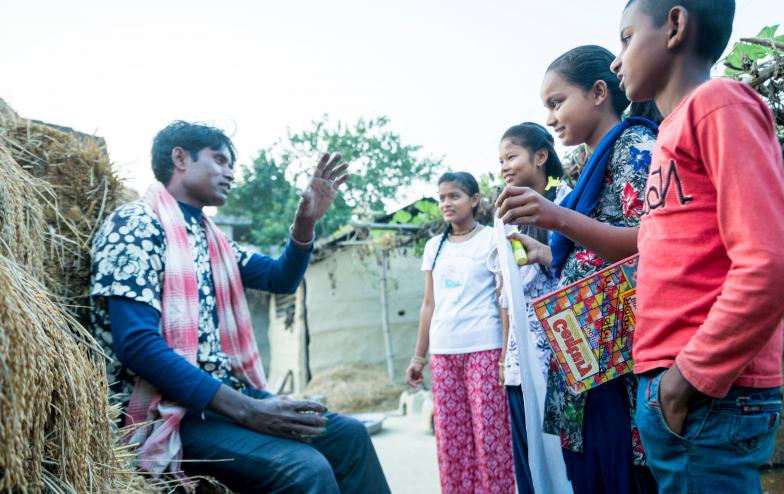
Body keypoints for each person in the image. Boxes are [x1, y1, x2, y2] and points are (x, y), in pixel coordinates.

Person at [89, 121, 390, 494]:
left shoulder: (211, 239)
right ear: (180, 158)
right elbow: (136, 344)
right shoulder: (135, 225)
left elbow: (280, 279)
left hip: (217, 397)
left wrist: (305, 223)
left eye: (232, 163)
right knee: (306, 470)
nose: (230, 172)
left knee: (350, 437)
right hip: (165, 408)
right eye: (220, 160)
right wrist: (247, 410)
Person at [612, 1, 784, 492]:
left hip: (707, 398)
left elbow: (773, 265)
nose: (617, 61)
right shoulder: (670, 130)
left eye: (627, 38)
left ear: (675, 25)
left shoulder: (718, 104)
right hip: (686, 394)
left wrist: (684, 381)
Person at [496, 45, 659, 494]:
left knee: (621, 474)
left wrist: (556, 218)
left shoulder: (636, 147)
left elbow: (650, 243)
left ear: (599, 92)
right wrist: (548, 252)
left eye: (556, 102)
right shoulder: (588, 166)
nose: (549, 118)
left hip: (617, 364)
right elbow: (589, 251)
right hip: (582, 359)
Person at [406, 171, 515, 494]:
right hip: (443, 355)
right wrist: (418, 356)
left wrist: (506, 355)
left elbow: (503, 300)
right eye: (441, 198)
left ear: (474, 200)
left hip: (485, 348)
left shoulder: (492, 238)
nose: (446, 203)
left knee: (490, 438)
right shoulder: (434, 247)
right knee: (452, 443)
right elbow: (429, 304)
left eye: (454, 196)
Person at [497, 122, 572, 494]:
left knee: (566, 461)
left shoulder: (569, 204)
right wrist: (505, 356)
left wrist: (545, 255)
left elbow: (581, 276)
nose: (504, 167)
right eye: (500, 161)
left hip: (563, 361)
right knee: (527, 466)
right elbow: (509, 296)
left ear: (541, 156)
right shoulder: (505, 219)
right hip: (519, 365)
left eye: (511, 156)